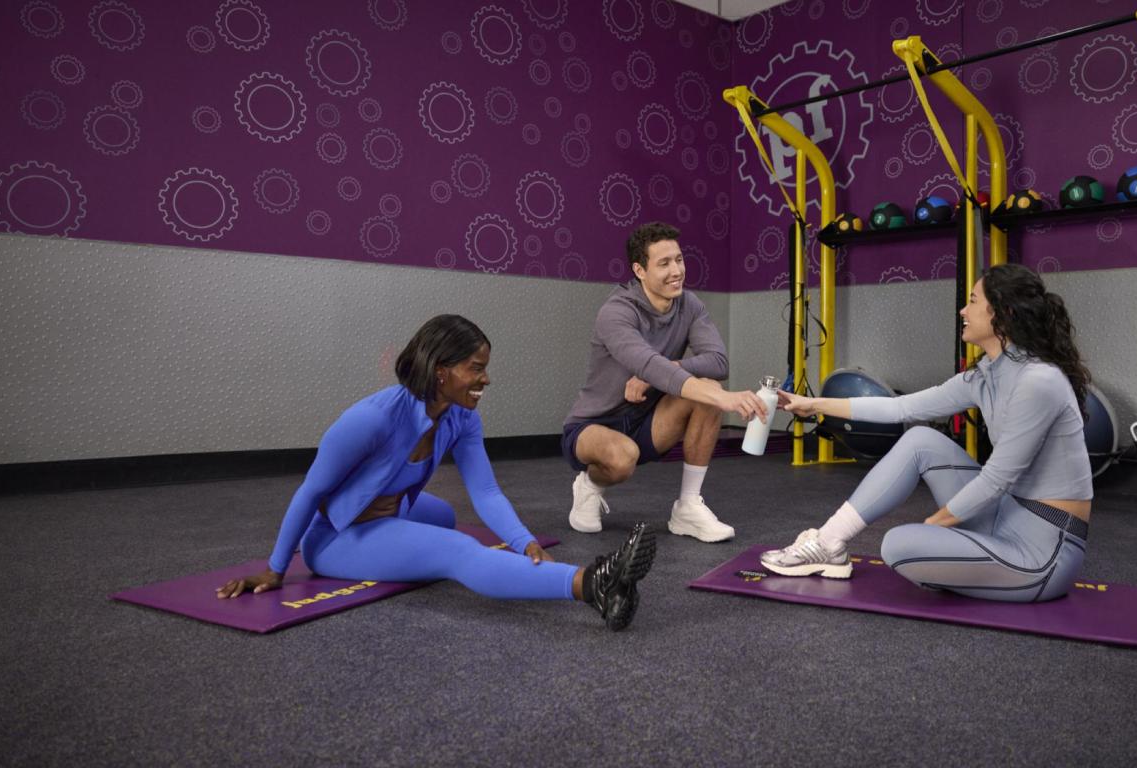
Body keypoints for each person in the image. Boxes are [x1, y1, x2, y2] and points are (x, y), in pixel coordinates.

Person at [217, 315, 656, 631]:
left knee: (444, 515)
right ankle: (593, 585)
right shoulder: (371, 419)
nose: (486, 379)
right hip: (336, 536)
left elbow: (485, 491)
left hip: (390, 511)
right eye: (476, 368)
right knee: (456, 549)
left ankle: (414, 543)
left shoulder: (461, 417)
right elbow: (310, 492)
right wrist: (276, 569)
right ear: (442, 372)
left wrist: (525, 543)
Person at [762, 264, 1093, 603]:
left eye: (972, 301)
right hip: (1002, 518)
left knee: (899, 544)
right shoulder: (986, 376)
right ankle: (828, 543)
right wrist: (813, 405)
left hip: (1042, 553)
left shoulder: (1038, 381)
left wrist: (933, 528)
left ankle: (952, 562)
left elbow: (997, 479)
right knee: (921, 441)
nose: (963, 311)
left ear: (1004, 313)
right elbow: (900, 408)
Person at [562, 222, 766, 542]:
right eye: (664, 263)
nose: (677, 271)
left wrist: (671, 369)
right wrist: (723, 398)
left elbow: (718, 361)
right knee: (622, 457)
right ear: (639, 270)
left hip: (648, 419)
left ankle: (688, 506)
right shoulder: (616, 312)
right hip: (594, 424)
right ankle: (589, 484)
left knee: (708, 390)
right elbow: (647, 363)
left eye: (679, 260)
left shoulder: (690, 305)